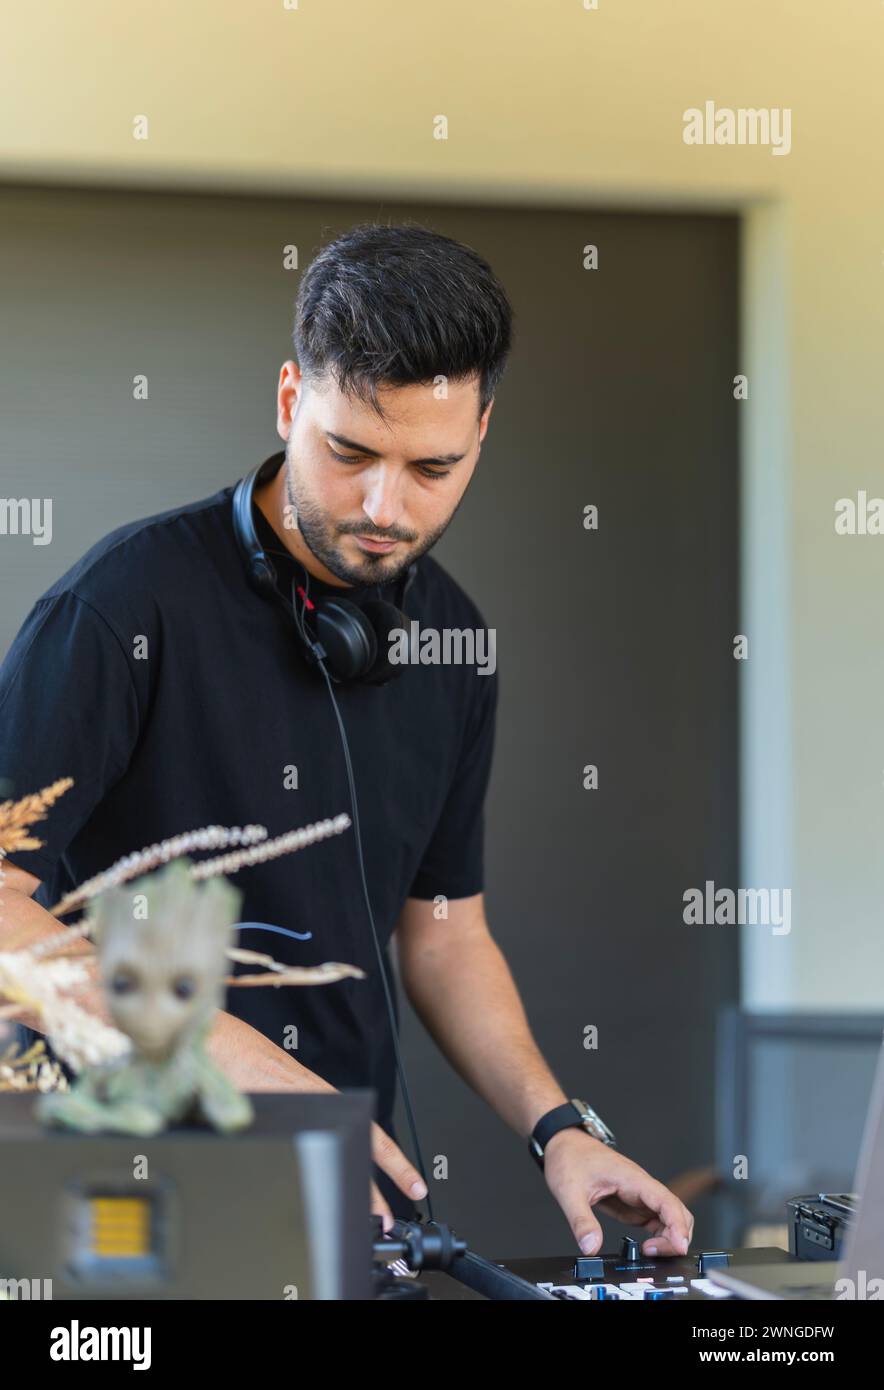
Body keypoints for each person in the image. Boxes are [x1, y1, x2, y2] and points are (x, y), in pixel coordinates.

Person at [0, 222, 693, 1258]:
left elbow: (445, 931)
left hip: (345, 1194)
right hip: (120, 1189)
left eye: (430, 467)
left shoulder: (453, 641)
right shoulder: (122, 607)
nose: (384, 506)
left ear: (480, 434)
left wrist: (555, 1127)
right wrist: (206, 1038)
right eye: (349, 451)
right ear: (290, 403)